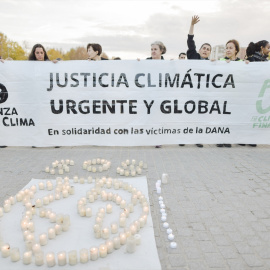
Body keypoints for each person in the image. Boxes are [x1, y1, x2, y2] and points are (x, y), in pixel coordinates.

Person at [187, 15, 211, 148]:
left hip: (202, 95)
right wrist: (192, 26)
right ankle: (183, 136)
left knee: (200, 117)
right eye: (204, 48)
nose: (206, 50)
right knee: (188, 116)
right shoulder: (193, 56)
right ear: (200, 50)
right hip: (190, 93)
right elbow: (190, 42)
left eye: (208, 49)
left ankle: (198, 137)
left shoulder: (212, 64)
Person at [216, 39, 242, 148]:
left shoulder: (241, 62)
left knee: (231, 118)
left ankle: (228, 139)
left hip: (234, 95)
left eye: (231, 48)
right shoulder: (221, 60)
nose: (228, 50)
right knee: (221, 117)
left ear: (236, 50)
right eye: (227, 48)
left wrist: (247, 65)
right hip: (223, 94)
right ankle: (220, 139)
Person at [145, 41, 166, 148]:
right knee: (148, 117)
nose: (153, 51)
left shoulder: (166, 64)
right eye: (152, 49)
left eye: (155, 49)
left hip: (161, 95)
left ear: (161, 51)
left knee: (158, 117)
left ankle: (158, 139)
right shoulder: (146, 62)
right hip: (148, 95)